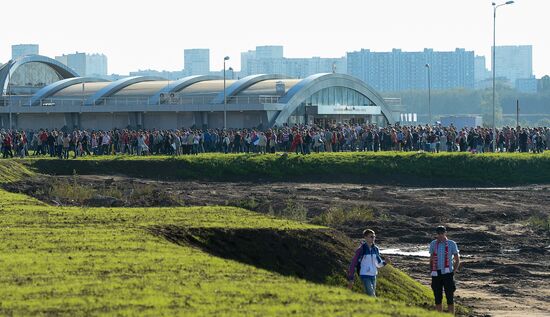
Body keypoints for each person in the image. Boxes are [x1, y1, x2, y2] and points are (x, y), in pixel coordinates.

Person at [347, 229, 391, 296]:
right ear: (365, 237)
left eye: (374, 237)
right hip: (364, 275)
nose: (373, 238)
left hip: (373, 276)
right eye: (371, 237)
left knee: (370, 295)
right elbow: (353, 264)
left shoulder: (375, 249)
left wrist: (385, 262)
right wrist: (351, 278)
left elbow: (378, 264)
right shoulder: (361, 249)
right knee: (371, 295)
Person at [430, 226, 460, 315]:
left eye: (442, 233)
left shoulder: (451, 244)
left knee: (450, 297)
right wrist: (432, 271)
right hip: (436, 274)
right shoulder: (433, 244)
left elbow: (457, 259)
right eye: (438, 233)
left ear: (445, 233)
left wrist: (453, 272)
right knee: (437, 298)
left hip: (448, 273)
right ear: (436, 234)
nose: (440, 235)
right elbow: (431, 259)